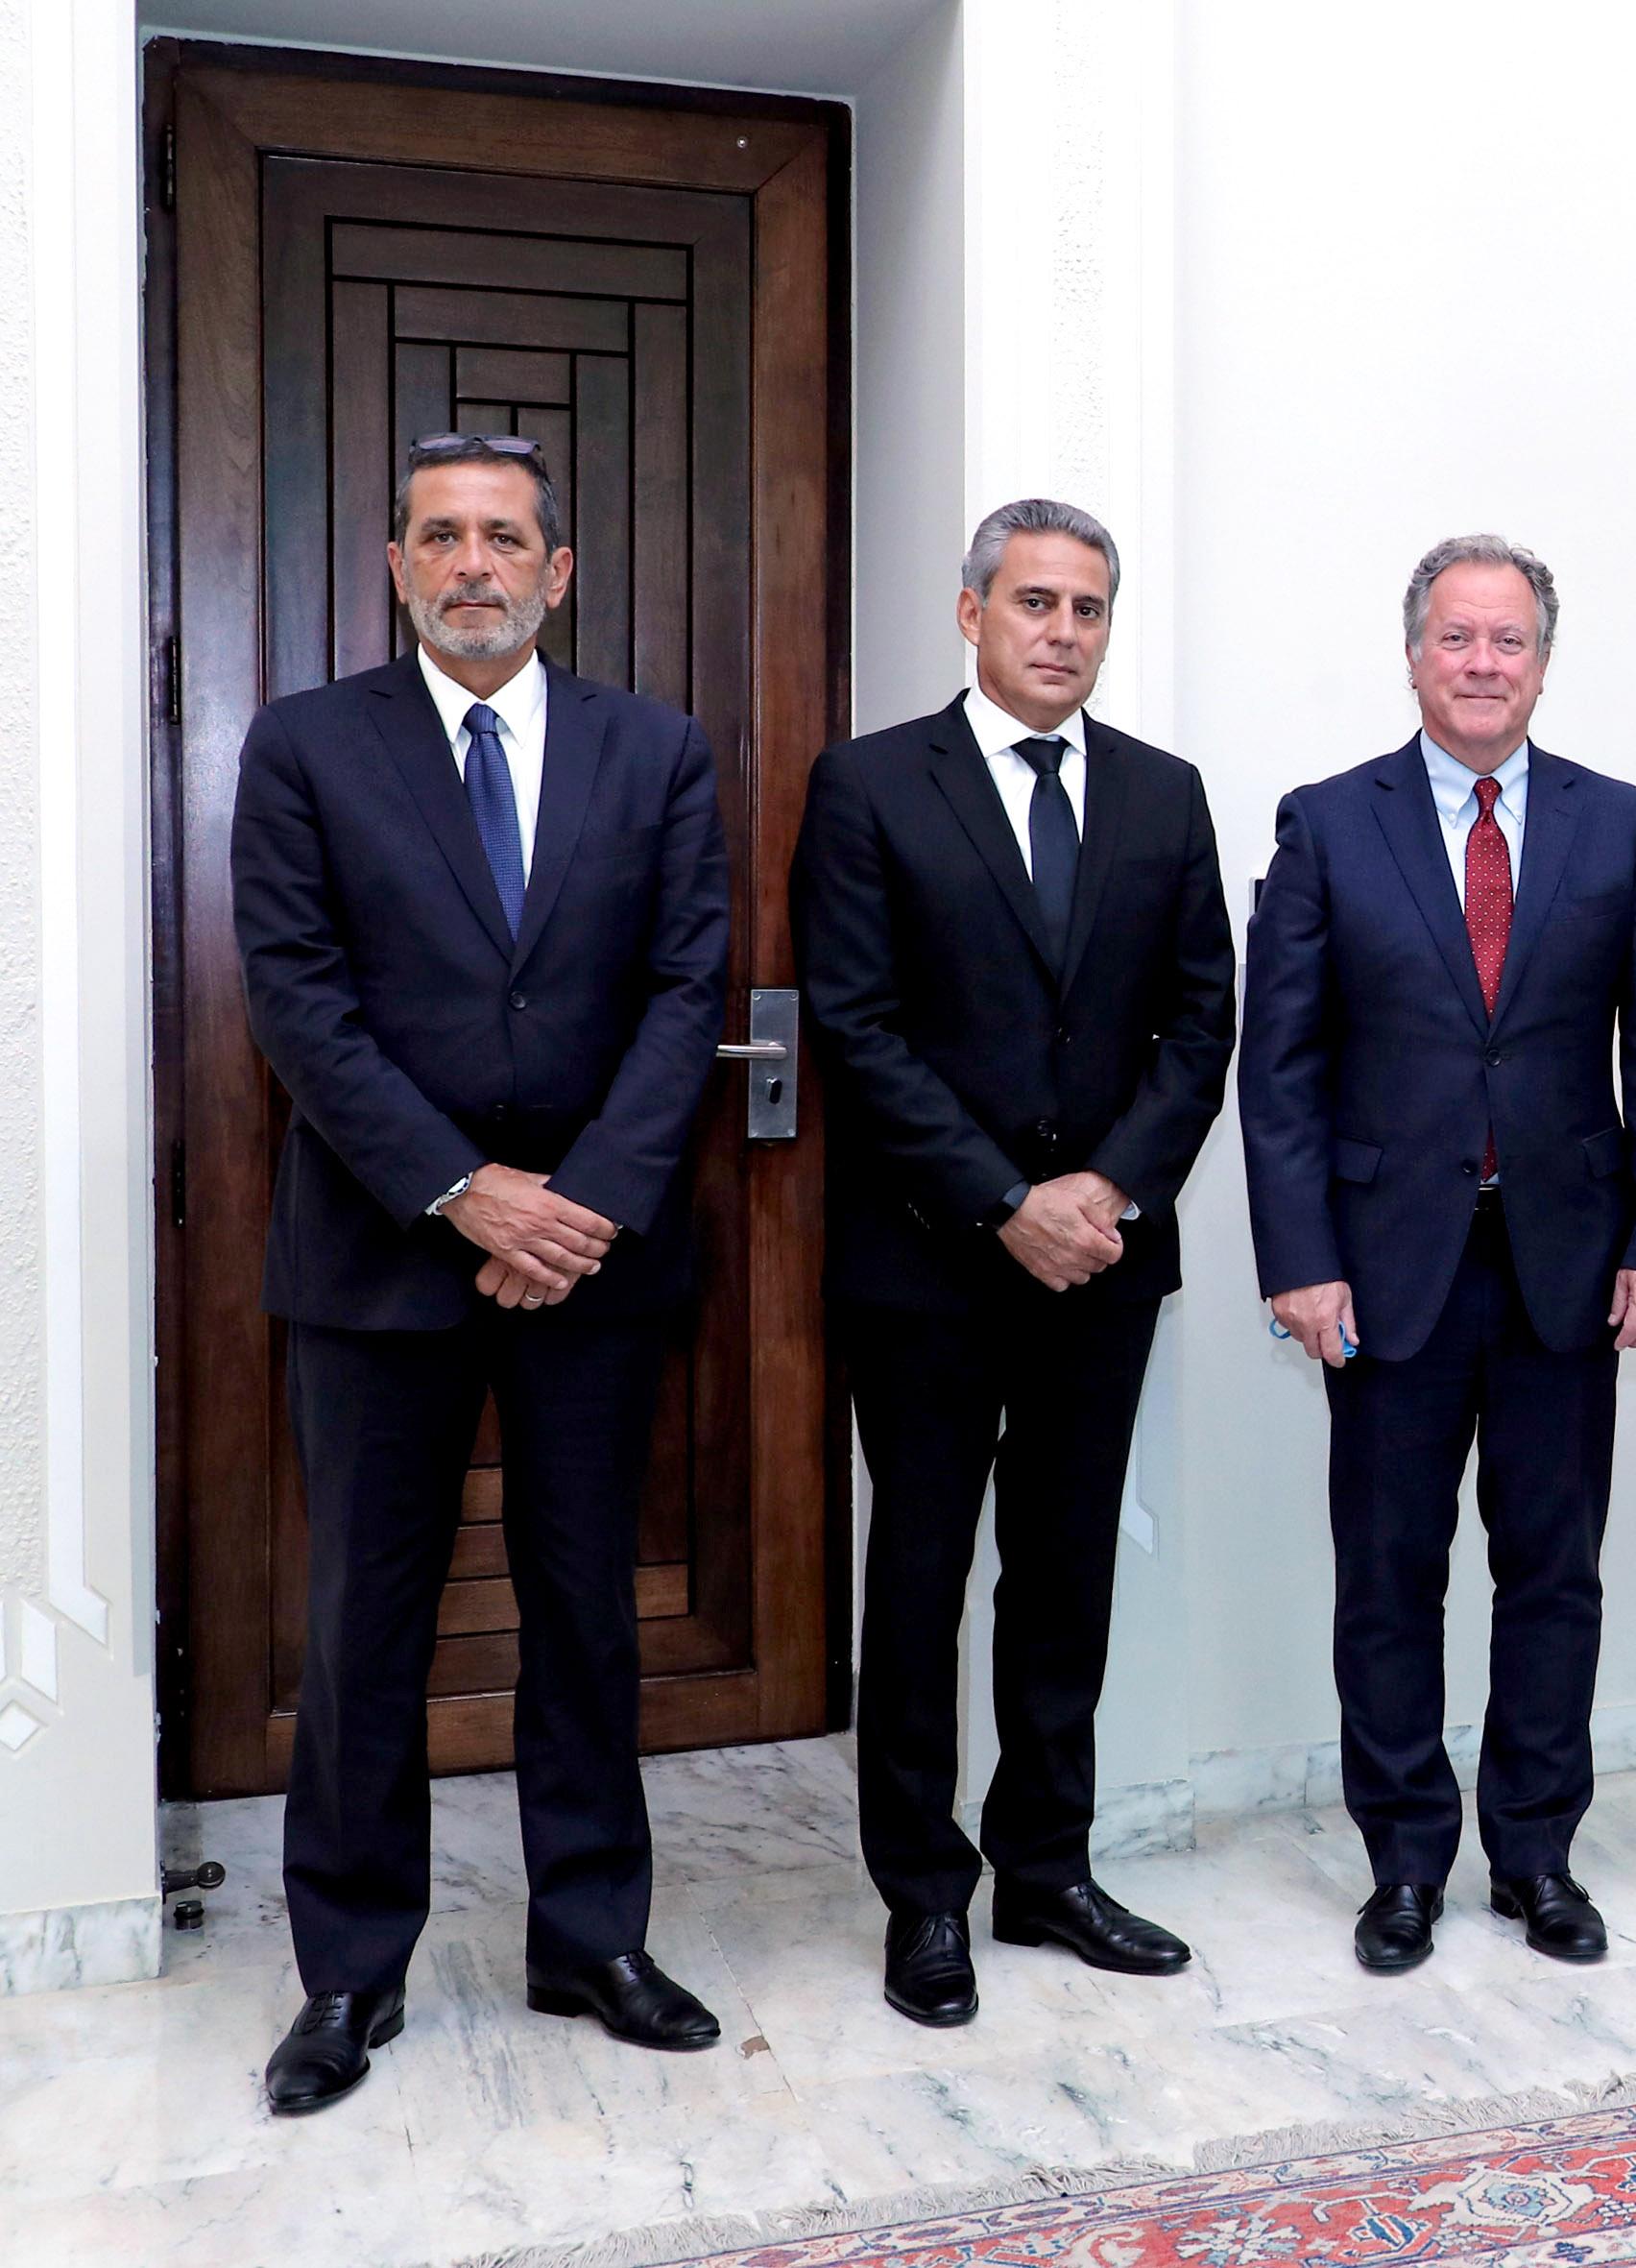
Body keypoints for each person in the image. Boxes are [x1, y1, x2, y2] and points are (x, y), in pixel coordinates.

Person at [232, 434, 734, 2112]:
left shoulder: (655, 750)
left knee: (585, 1607)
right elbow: (300, 1002)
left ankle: (591, 1934)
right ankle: (350, 1973)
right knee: (365, 1624)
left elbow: (684, 995)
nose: (473, 564)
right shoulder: (306, 747)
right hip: (383, 1258)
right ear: (394, 565)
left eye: (505, 537)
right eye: (440, 535)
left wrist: (574, 1202)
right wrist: (464, 1192)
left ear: (557, 569)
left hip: (593, 1260)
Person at [790, 498, 1236, 2027]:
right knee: (918, 1585)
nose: (1061, 630)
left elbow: (1201, 1023)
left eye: (1089, 607)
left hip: (1103, 1262)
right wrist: (1004, 1199)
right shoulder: (865, 786)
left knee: (1065, 1577)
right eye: (1034, 601)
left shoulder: (1168, 796)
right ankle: (926, 1893)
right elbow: (856, 1026)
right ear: (969, 610)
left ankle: (1046, 1869)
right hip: (925, 1266)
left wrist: (1102, 1189)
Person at [1240, 534, 1636, 1975]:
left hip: (1569, 1265)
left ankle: (1537, 1854)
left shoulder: (1619, 823)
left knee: (1554, 1571)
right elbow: (1282, 1068)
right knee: (1390, 1573)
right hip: (1385, 1272)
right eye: (1458, 638)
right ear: (1414, 653)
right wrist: (1301, 1261)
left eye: (1509, 641)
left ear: (1544, 662)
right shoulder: (1329, 823)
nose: (1483, 664)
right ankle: (1402, 1862)